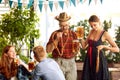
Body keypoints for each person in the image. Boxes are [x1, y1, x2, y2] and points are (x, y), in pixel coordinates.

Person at [80, 15, 119, 80]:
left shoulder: (105, 34)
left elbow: (117, 49)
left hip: (99, 60)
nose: (93, 27)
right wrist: (80, 37)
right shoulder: (91, 31)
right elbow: (84, 46)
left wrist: (104, 46)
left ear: (99, 23)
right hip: (89, 59)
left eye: (95, 25)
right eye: (91, 26)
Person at [46, 12, 80, 80]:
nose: (64, 28)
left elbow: (77, 50)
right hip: (58, 62)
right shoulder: (55, 34)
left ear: (69, 24)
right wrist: (56, 40)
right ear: (59, 24)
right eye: (62, 26)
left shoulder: (74, 34)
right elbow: (48, 50)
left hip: (71, 62)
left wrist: (77, 50)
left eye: (66, 25)